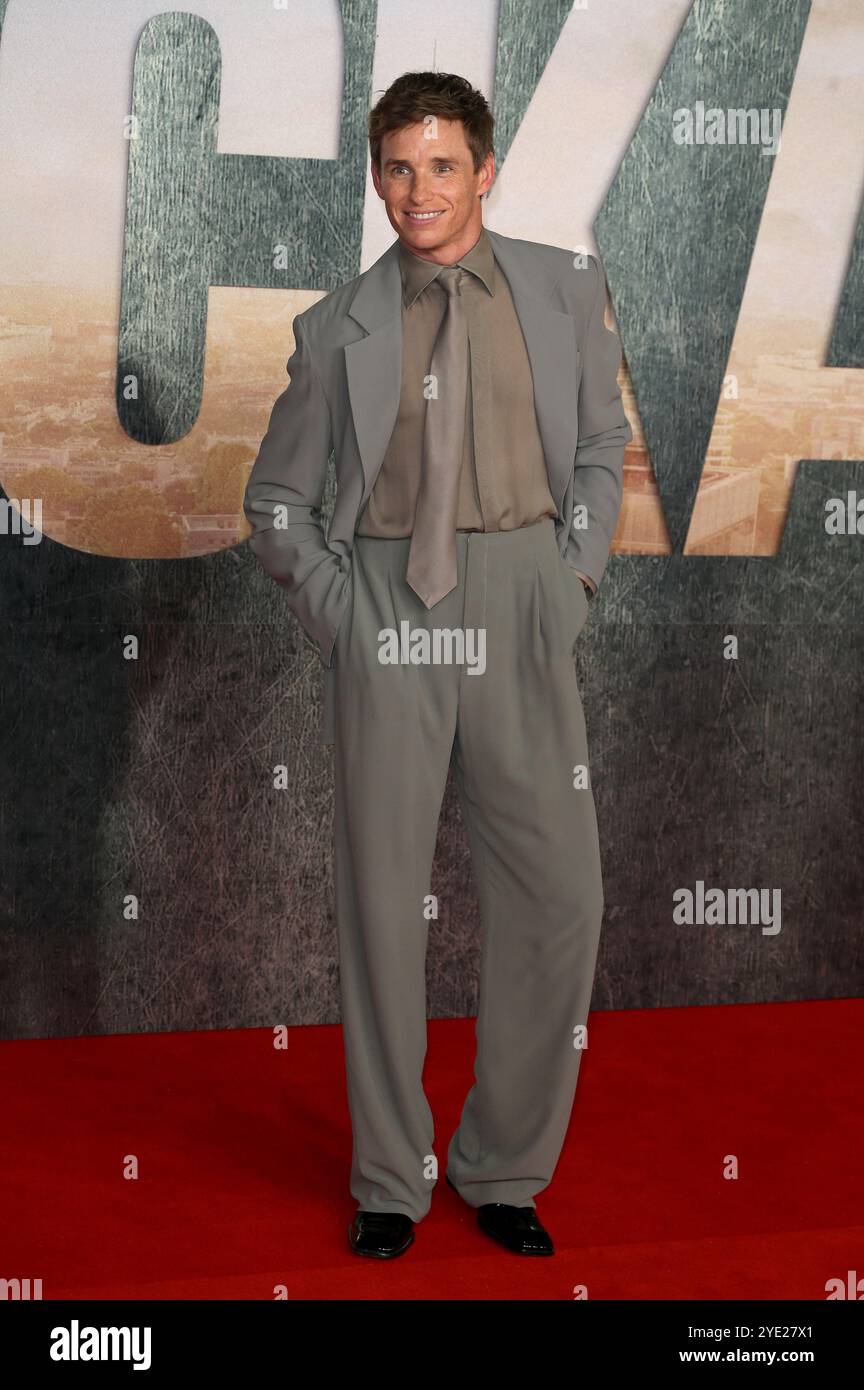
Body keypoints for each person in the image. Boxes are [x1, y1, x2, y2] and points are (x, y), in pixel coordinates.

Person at [243, 70, 632, 1260]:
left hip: (522, 595)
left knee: (562, 898)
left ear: (487, 169)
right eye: (399, 167)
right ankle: (389, 1178)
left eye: (443, 164)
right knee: (381, 907)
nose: (420, 190)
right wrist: (340, 612)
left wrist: (568, 582)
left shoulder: (563, 290)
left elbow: (607, 448)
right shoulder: (336, 326)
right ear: (377, 176)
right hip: (388, 607)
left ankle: (503, 1166)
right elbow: (274, 500)